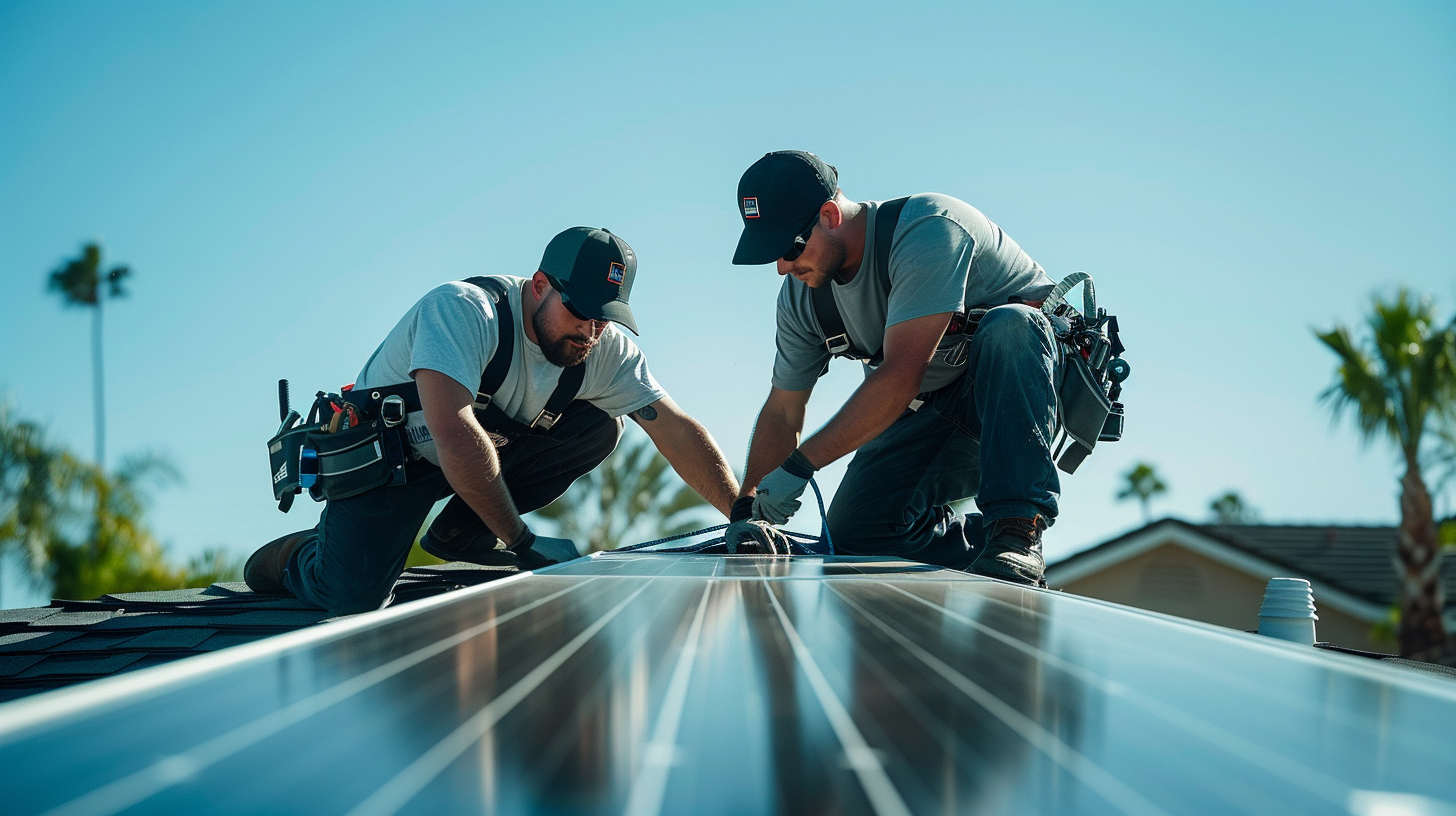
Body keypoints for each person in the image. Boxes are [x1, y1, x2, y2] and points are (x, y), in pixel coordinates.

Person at [246, 226, 765, 614]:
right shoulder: (462, 311)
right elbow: (455, 434)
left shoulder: (603, 348)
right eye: (580, 311)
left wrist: (740, 512)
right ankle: (299, 552)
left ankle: (462, 535)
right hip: (393, 461)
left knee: (601, 426)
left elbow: (674, 428)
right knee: (350, 596)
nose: (590, 331)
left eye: (604, 319)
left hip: (479, 455)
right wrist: (522, 541)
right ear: (539, 285)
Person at [723, 151, 1062, 586]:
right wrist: (748, 510)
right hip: (929, 409)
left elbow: (901, 376)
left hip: (1020, 395)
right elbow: (783, 410)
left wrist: (800, 466)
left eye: (790, 248)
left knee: (1011, 324)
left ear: (829, 216)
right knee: (856, 536)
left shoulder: (930, 229)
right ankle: (985, 551)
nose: (783, 267)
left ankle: (1016, 533)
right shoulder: (800, 297)